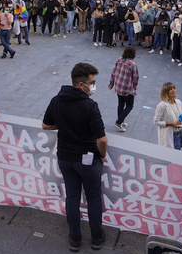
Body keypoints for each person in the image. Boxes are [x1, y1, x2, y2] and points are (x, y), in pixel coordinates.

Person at [42, 62, 107, 252]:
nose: (93, 86)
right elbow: (101, 139)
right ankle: (96, 238)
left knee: (72, 197)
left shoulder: (57, 100)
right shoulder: (90, 106)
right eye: (92, 82)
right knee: (93, 198)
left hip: (65, 157)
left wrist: (61, 125)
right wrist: (101, 155)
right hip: (87, 160)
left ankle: (74, 239)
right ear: (81, 85)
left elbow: (46, 125)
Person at [108, 46, 139, 132]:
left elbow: (113, 73)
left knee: (121, 104)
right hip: (127, 89)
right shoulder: (133, 64)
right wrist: (134, 90)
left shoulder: (119, 60)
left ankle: (121, 121)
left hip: (119, 87)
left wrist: (111, 84)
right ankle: (119, 122)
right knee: (129, 106)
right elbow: (135, 78)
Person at [153, 82, 182, 150]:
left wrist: (181, 122)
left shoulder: (179, 102)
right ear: (166, 92)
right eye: (171, 89)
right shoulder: (161, 105)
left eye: (174, 88)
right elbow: (156, 122)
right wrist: (171, 124)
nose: (173, 90)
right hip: (169, 135)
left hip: (178, 133)